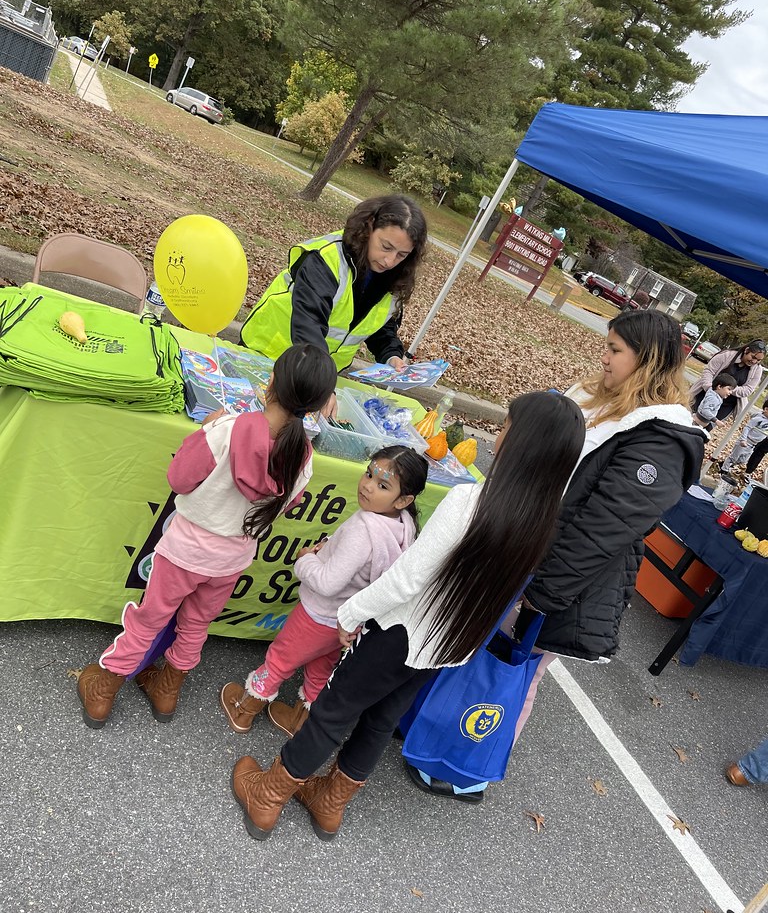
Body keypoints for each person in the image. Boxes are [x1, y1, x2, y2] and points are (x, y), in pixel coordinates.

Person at [228, 390, 586, 841]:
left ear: (525, 442)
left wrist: (352, 612)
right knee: (379, 721)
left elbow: (408, 578)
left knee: (333, 711)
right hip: (448, 645)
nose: (500, 435)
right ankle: (329, 803)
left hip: (400, 631)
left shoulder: (469, 502)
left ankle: (268, 796)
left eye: (508, 426)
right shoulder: (542, 522)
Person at [409, 310, 708, 802]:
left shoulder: (662, 440)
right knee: (479, 650)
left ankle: (467, 768)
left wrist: (543, 593)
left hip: (560, 580)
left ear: (647, 360)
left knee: (513, 672)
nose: (604, 357)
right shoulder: (602, 398)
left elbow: (602, 529)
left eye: (615, 350)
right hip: (525, 553)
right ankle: (434, 730)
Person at [76, 343, 338, 730]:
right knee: (197, 623)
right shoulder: (304, 457)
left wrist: (205, 431)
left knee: (149, 619)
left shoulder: (226, 429)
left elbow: (179, 480)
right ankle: (168, 689)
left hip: (184, 551)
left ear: (270, 382)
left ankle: (105, 689)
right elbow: (286, 507)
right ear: (317, 406)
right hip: (232, 560)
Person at [219, 446, 429, 738]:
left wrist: (305, 559)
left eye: (382, 485)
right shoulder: (403, 526)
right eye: (369, 474)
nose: (368, 485)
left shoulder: (364, 529)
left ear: (404, 498)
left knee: (281, 659)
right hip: (346, 622)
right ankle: (300, 721)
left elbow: (328, 583)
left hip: (318, 615)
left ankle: (245, 709)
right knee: (321, 670)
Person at [239, 195, 428, 372]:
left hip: (313, 374)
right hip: (266, 355)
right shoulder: (327, 258)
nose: (390, 261)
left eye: (402, 255)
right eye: (386, 247)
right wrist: (320, 382)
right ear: (369, 226)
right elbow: (310, 323)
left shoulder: (395, 276)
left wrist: (392, 355)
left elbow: (378, 326)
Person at [689, 339, 766, 424]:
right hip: (705, 395)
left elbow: (748, 390)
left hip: (726, 405)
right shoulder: (727, 355)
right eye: (753, 357)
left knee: (705, 429)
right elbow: (709, 371)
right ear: (746, 350)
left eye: (758, 360)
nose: (754, 361)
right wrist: (709, 388)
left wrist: (728, 390)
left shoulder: (757, 370)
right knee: (689, 420)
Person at [721, 402, 768, 472]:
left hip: (753, 445)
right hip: (746, 441)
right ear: (766, 409)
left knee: (743, 460)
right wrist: (743, 439)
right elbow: (747, 428)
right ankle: (723, 470)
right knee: (734, 457)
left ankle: (729, 467)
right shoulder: (758, 419)